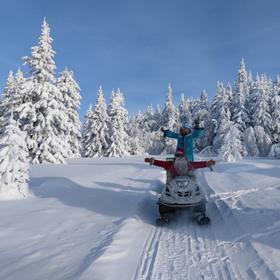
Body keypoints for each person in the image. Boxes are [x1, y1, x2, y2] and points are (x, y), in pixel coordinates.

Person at [144, 147, 215, 224]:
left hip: (188, 183)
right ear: (175, 155)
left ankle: (200, 214)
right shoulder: (170, 164)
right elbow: (161, 163)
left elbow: (198, 164)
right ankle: (164, 215)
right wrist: (153, 161)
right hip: (173, 184)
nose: (179, 156)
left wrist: (207, 163)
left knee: (198, 194)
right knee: (165, 195)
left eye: (181, 155)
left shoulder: (189, 164)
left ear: (184, 155)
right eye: (177, 155)